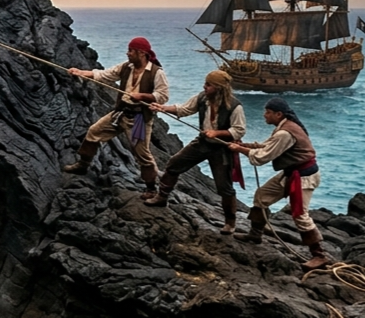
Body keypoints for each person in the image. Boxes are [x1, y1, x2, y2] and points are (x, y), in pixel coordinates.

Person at [227, 97, 332, 271]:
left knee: (300, 214)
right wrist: (245, 145)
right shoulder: (284, 126)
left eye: (267, 112)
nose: (264, 115)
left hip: (303, 177)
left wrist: (240, 150)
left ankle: (319, 255)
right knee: (262, 196)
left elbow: (262, 157)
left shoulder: (285, 132)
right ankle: (255, 235)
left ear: (278, 114)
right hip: (291, 173)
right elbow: (268, 145)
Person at [63, 36, 170, 198]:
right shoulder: (126, 67)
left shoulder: (156, 73)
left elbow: (162, 96)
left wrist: (142, 96)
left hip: (139, 119)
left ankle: (151, 188)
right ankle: (83, 165)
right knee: (93, 132)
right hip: (119, 113)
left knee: (142, 155)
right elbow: (105, 75)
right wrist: (80, 73)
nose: (127, 54)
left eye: (131, 51)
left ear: (141, 53)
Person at [144, 70, 246, 233]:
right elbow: (184, 109)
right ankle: (162, 197)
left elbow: (239, 130)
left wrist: (217, 133)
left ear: (219, 88)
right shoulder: (202, 98)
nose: (204, 86)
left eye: (208, 84)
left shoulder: (234, 106)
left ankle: (230, 223)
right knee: (174, 164)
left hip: (221, 149)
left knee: (224, 186)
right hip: (202, 143)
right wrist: (162, 108)